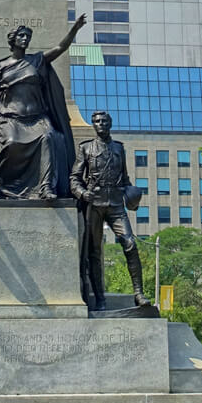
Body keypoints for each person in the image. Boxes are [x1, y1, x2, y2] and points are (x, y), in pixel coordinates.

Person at [0, 17, 85, 199]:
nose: (25, 39)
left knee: (49, 137)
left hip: (37, 118)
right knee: (11, 142)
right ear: (12, 40)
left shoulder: (37, 60)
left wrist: (74, 29)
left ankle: (46, 188)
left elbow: (60, 48)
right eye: (21, 36)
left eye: (28, 36)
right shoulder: (1, 67)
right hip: (10, 119)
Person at [70, 109, 148, 311]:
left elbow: (125, 178)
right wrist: (82, 194)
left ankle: (138, 293)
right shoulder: (86, 148)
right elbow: (74, 178)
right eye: (96, 121)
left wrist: (132, 194)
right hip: (94, 205)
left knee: (130, 243)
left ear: (110, 124)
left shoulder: (119, 149)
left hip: (115, 204)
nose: (100, 124)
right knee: (94, 253)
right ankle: (100, 299)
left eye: (104, 121)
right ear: (93, 125)